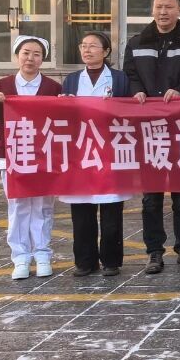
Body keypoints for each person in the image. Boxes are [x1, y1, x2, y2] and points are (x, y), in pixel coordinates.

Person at [124, 0, 180, 275]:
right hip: (149, 130)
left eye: (169, 7)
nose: (163, 12)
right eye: (159, 6)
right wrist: (136, 91)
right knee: (151, 197)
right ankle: (154, 252)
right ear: (152, 9)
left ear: (179, 10)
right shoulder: (137, 42)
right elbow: (130, 74)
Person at [0, 37, 62, 279]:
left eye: (37, 54)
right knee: (18, 206)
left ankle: (43, 254)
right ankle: (21, 258)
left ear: (43, 59)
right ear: (17, 56)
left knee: (43, 206)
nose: (30, 58)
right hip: (12, 156)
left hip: (44, 156)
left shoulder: (52, 88)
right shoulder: (3, 85)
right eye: (26, 53)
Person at [60, 32, 134, 277]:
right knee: (82, 211)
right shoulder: (72, 79)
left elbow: (129, 112)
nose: (87, 50)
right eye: (83, 45)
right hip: (80, 151)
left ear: (106, 51)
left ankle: (111, 261)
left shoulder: (119, 78)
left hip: (110, 150)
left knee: (111, 208)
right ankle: (85, 261)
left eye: (93, 46)